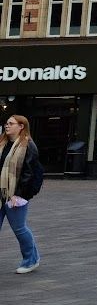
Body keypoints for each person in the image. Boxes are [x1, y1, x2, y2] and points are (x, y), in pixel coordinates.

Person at [0, 114, 43, 273]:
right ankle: (32, 258)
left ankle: (31, 260)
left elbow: (29, 173)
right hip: (0, 192)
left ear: (21, 126)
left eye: (11, 123)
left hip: (15, 195)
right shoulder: (2, 143)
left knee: (19, 228)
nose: (7, 126)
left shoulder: (28, 146)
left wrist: (19, 195)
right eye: (6, 123)